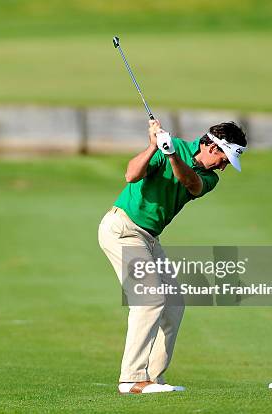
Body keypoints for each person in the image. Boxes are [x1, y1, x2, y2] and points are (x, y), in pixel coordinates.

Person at [98, 119, 247, 394]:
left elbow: (189, 182)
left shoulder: (209, 177)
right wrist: (154, 146)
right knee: (149, 299)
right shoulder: (172, 146)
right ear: (212, 147)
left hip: (149, 238)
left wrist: (171, 156)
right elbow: (130, 175)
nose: (224, 167)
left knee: (174, 305)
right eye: (224, 159)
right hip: (122, 229)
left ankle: (153, 379)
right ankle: (131, 378)